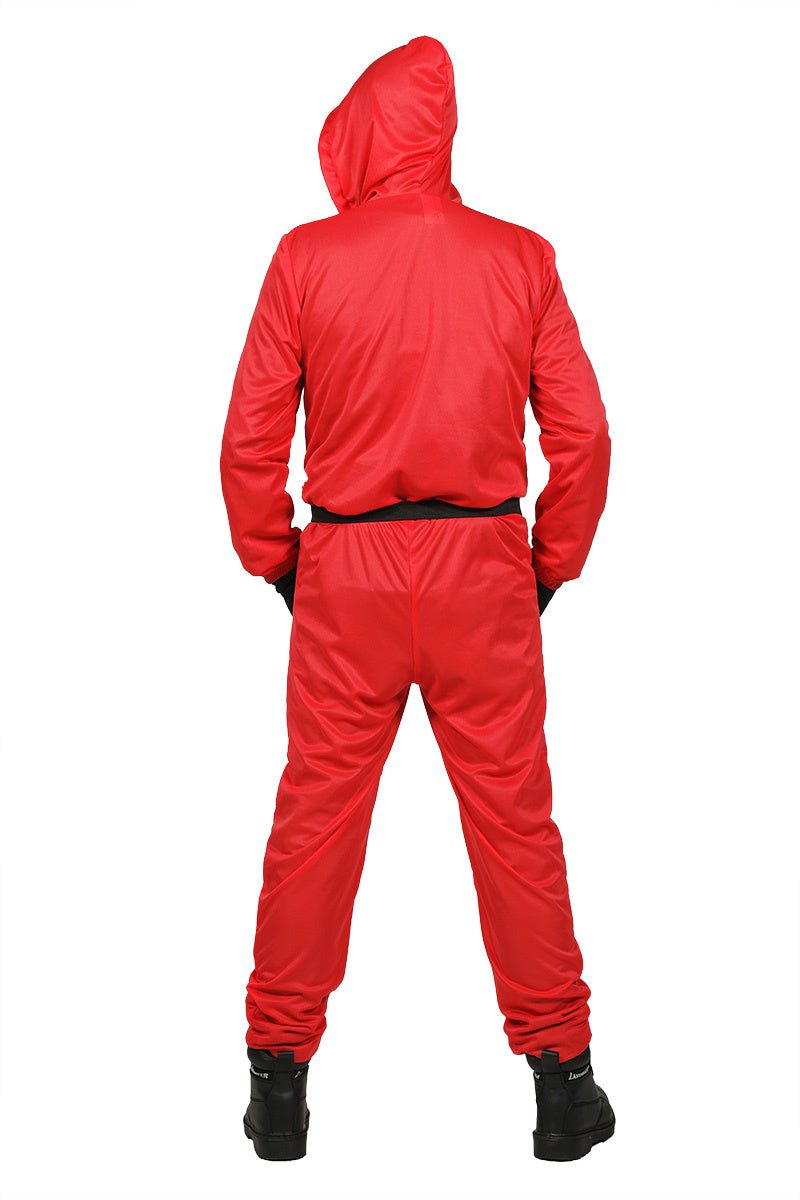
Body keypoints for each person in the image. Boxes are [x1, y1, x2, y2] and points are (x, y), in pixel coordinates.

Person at [220, 34, 614, 1164]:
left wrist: (278, 562)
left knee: (314, 824)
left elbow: (249, 440)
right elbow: (583, 436)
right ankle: (562, 1085)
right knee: (514, 824)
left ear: (357, 135)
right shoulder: (520, 258)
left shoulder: (305, 257)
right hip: (482, 570)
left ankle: (277, 1088)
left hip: (344, 572)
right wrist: (547, 565)